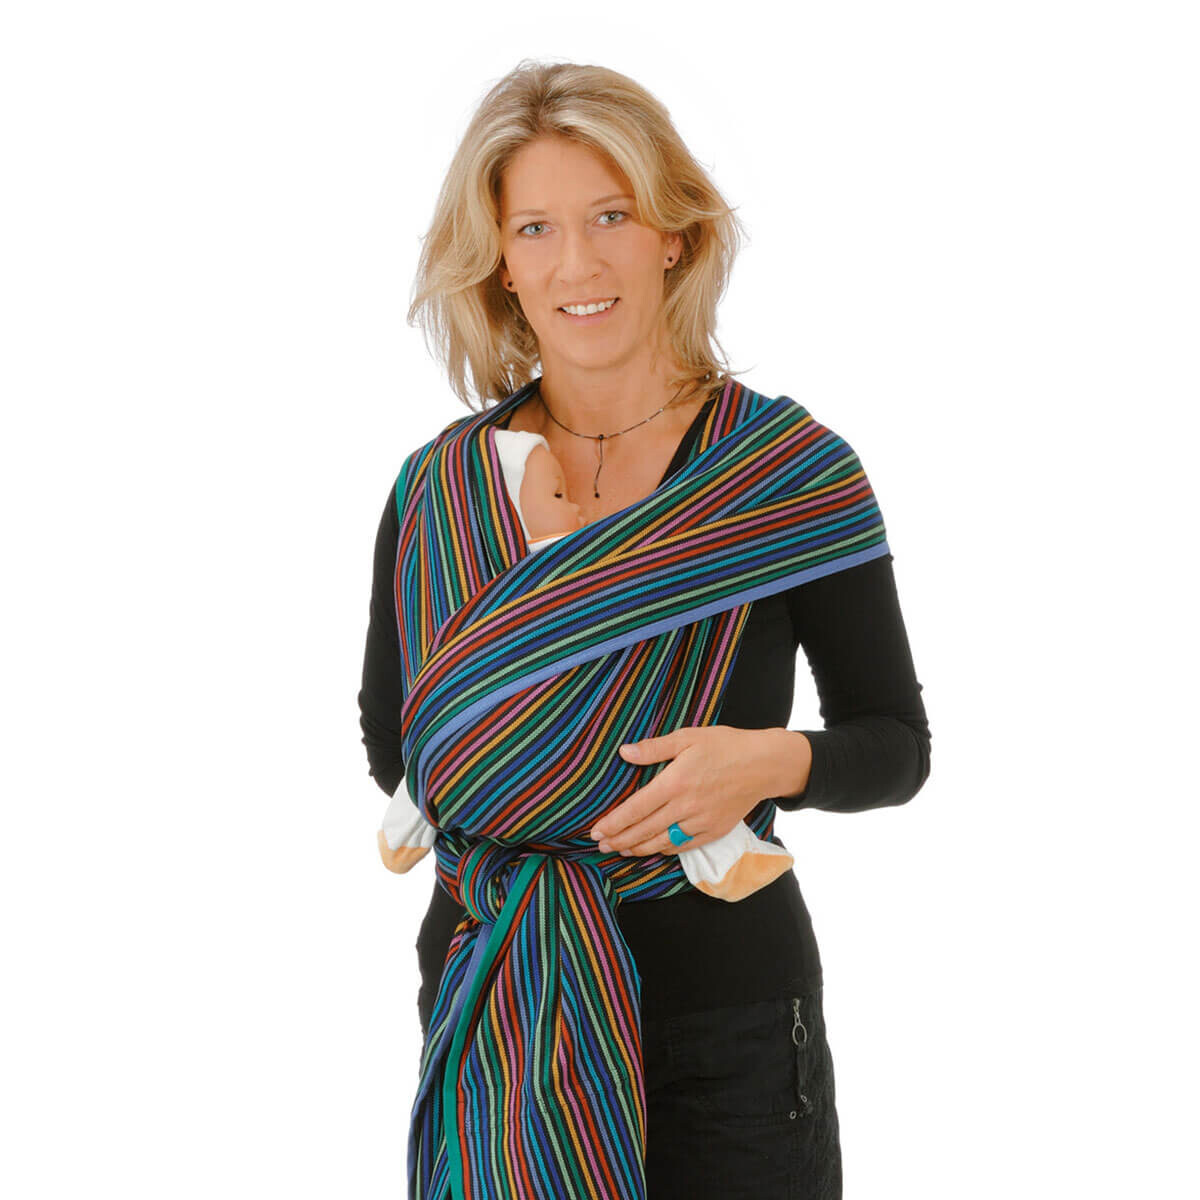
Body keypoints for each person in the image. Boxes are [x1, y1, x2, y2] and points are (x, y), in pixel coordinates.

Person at [357, 60, 931, 1200]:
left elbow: (894, 743)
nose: (578, 262)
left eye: (612, 216)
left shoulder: (784, 477)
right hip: (497, 994)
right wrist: (543, 782)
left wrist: (768, 764)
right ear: (501, 261)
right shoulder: (441, 490)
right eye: (536, 228)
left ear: (674, 233)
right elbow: (400, 742)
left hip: (726, 1027)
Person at [376, 426, 797, 902]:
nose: (577, 509)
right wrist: (515, 779)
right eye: (557, 495)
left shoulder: (782, 464)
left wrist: (772, 763)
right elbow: (405, 739)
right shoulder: (435, 482)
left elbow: (875, 741)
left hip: (719, 930)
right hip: (483, 915)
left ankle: (406, 830)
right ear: (505, 518)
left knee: (659, 779)